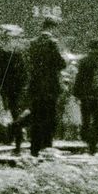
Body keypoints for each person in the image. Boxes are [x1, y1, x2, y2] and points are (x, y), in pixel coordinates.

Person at [23, 16, 68, 156]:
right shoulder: (52, 43)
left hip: (35, 87)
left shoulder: (32, 43)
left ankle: (34, 149)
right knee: (49, 117)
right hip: (50, 88)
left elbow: (27, 63)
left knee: (36, 117)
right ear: (53, 27)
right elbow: (61, 64)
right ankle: (46, 147)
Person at [0, 25, 30, 154]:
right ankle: (15, 137)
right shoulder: (19, 53)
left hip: (7, 88)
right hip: (15, 89)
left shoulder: (1, 53)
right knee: (14, 113)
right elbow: (24, 73)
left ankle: (13, 138)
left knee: (10, 112)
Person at [73, 39, 98, 154]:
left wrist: (76, 92)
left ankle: (86, 137)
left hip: (86, 94)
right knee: (97, 119)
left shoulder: (84, 61)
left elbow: (79, 77)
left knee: (86, 118)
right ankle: (93, 143)